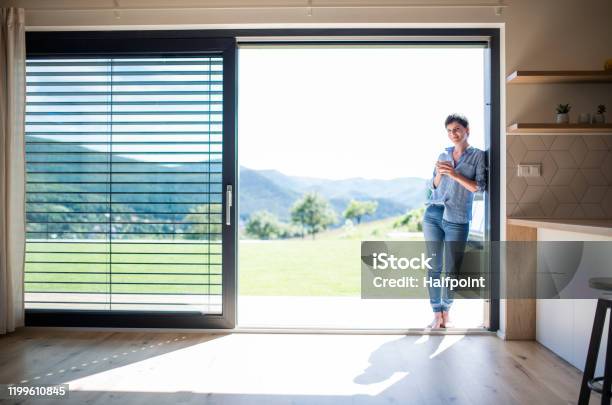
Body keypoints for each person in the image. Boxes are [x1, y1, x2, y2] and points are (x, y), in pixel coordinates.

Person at [423, 114, 487, 328]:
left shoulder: (478, 156)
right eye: (449, 130)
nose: (453, 134)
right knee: (433, 267)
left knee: (452, 269)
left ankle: (447, 310)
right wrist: (440, 174)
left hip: (457, 217)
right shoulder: (443, 153)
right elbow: (432, 186)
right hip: (433, 213)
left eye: (457, 129)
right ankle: (436, 312)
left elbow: (479, 187)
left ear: (467, 130)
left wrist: (455, 174)